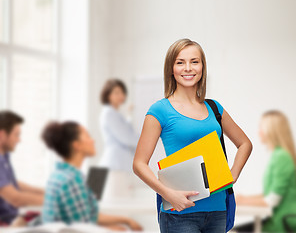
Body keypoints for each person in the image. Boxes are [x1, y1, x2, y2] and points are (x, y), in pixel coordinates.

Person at [133, 38, 252, 232]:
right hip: (180, 212)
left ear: (202, 67)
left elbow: (245, 144)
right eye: (180, 62)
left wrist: (233, 174)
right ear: (171, 69)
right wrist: (169, 194)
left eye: (194, 61)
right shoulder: (160, 110)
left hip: (217, 210)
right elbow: (139, 164)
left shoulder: (214, 108)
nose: (188, 68)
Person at [41, 121, 142, 231]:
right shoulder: (72, 180)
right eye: (87, 136)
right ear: (77, 145)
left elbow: (89, 216)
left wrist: (125, 220)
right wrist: (114, 229)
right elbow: (83, 228)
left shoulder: (60, 175)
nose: (92, 140)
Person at [235, 110, 296, 232]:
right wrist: (244, 199)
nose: (259, 132)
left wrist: (243, 201)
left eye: (261, 128)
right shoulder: (279, 155)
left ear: (272, 131)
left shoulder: (281, 157)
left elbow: (272, 200)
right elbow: (272, 193)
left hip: (283, 222)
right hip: (278, 219)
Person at [0, 111, 44, 226]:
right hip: (6, 223)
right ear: (2, 135)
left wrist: (46, 191)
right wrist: (54, 200)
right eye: (16, 135)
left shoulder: (4, 156)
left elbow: (11, 183)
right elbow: (15, 198)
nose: (19, 140)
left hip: (13, 217)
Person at [99, 79, 139, 200]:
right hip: (114, 167)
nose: (121, 96)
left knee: (119, 207)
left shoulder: (114, 113)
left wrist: (129, 114)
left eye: (122, 92)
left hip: (115, 167)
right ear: (108, 94)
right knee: (118, 208)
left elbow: (126, 132)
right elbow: (127, 137)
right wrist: (148, 140)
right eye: (116, 92)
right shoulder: (109, 113)